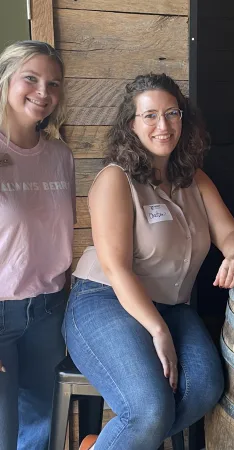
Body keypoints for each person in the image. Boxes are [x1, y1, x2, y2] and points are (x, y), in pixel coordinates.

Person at [64, 73, 234, 450]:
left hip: (172, 306)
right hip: (105, 301)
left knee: (203, 390)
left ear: (184, 118)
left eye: (171, 113)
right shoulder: (116, 180)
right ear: (131, 125)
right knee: (149, 410)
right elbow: (116, 268)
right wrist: (158, 331)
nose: (162, 126)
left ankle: (104, 445)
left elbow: (233, 235)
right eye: (149, 116)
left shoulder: (195, 180)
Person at [0, 41, 75, 450]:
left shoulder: (60, 156)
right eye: (31, 78)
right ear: (5, 81)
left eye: (53, 83)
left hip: (48, 308)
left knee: (41, 432)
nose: (43, 92)